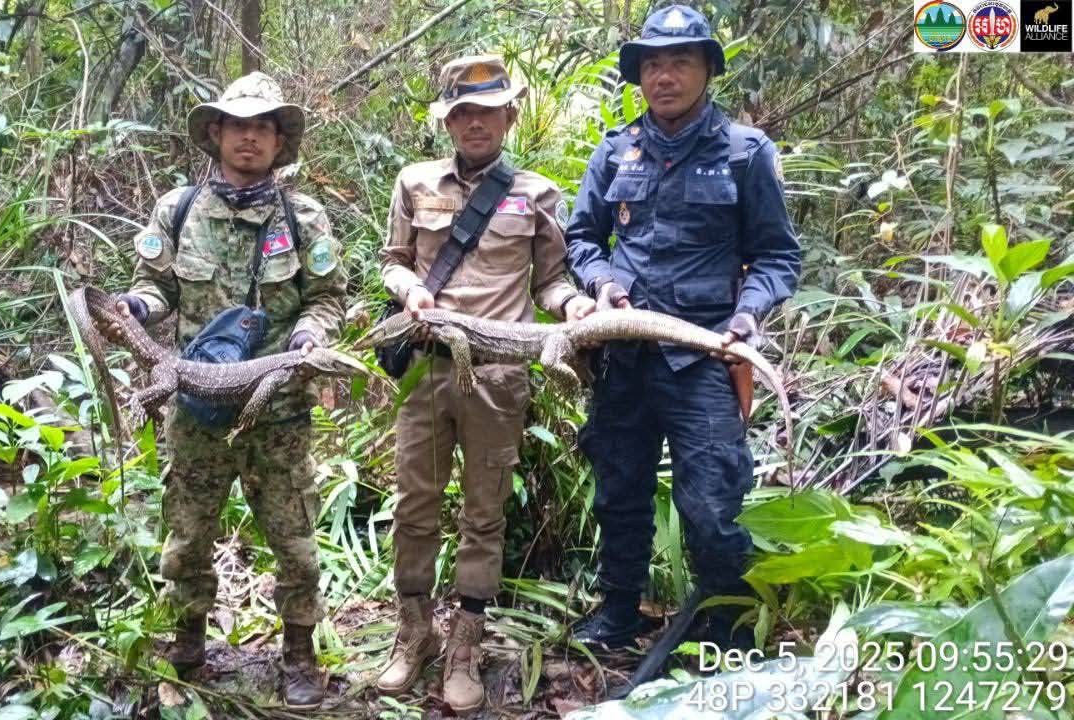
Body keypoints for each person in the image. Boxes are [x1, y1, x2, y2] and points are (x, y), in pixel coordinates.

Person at [564, 5, 801, 652]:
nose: (664, 76)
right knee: (619, 490)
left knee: (713, 504)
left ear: (707, 71)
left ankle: (726, 629)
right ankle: (619, 612)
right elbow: (582, 238)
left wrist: (749, 314)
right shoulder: (615, 152)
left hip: (704, 358)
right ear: (639, 75)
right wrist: (603, 284)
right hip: (625, 355)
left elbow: (779, 256)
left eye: (680, 62)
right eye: (653, 64)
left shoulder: (745, 154)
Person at [106, 72, 346, 708]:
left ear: (277, 140)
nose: (248, 137)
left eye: (261, 127)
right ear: (216, 133)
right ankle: (185, 645)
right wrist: (133, 305)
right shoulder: (177, 210)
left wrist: (308, 337)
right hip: (198, 408)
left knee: (294, 539)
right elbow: (158, 287)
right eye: (238, 125)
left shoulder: (302, 216)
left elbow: (326, 300)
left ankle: (298, 654)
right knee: (186, 534)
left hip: (280, 412)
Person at [375, 55, 597, 714]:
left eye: (488, 110)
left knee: (483, 513)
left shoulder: (537, 193)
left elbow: (552, 279)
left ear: (509, 115)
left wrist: (572, 307)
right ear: (447, 119)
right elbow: (392, 262)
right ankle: (413, 633)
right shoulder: (415, 181)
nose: (475, 123)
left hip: (499, 376)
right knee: (414, 507)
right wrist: (410, 286)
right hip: (425, 365)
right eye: (462, 112)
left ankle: (465, 643)